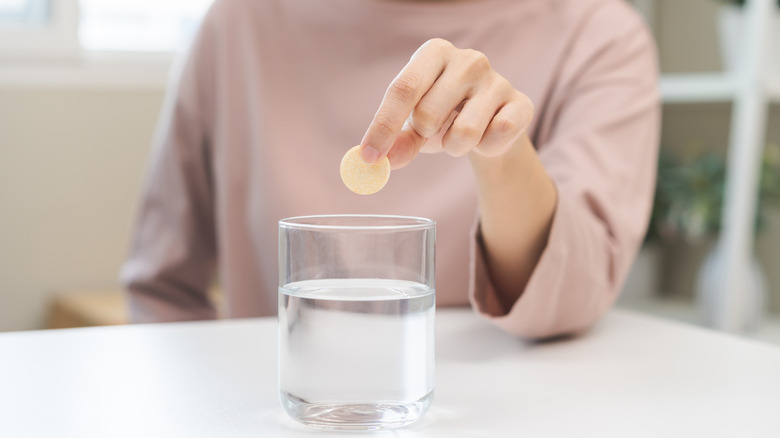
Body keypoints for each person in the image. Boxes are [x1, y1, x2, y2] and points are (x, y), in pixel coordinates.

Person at [120, 0, 660, 339]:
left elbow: (574, 297)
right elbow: (162, 288)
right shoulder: (238, 22)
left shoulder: (600, 33)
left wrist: (500, 152)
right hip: (286, 410)